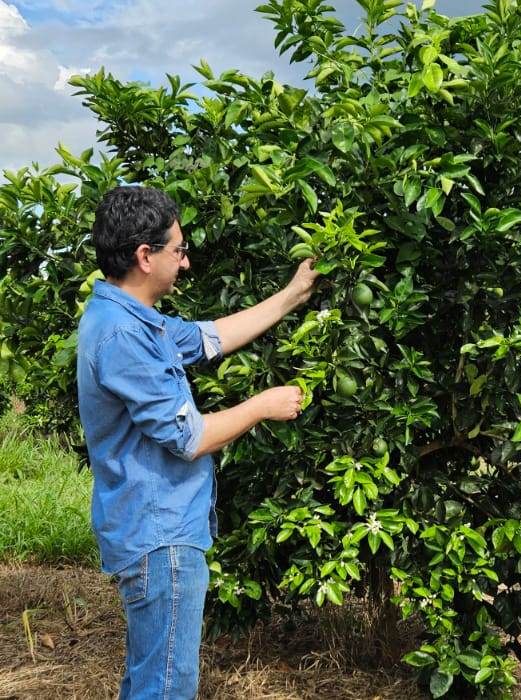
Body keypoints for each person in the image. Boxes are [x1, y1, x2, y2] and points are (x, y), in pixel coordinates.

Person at [76, 185, 320, 699]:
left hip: (156, 528)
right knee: (165, 685)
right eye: (178, 251)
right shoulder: (122, 336)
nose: (185, 263)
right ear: (146, 256)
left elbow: (209, 337)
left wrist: (293, 294)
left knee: (150, 678)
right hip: (159, 536)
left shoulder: (134, 321)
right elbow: (190, 437)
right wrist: (262, 406)